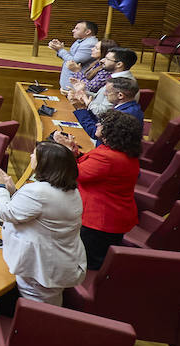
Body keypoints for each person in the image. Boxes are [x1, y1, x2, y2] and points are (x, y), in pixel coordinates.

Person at [0, 140, 85, 304]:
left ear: (45, 164)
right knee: (51, 301)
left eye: (35, 154)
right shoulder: (70, 189)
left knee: (40, 309)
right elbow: (34, 211)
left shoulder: (38, 192)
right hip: (60, 262)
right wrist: (12, 188)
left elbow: (6, 213)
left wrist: (0, 187)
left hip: (42, 269)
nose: (31, 155)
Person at [55, 109, 141, 270]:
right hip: (113, 215)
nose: (97, 124)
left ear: (111, 131)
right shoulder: (119, 151)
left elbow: (75, 174)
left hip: (100, 220)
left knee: (86, 263)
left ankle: (82, 291)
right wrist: (75, 153)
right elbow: (91, 166)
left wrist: (64, 151)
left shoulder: (108, 158)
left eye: (101, 123)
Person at [73, 76, 143, 139]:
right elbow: (99, 121)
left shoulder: (124, 115)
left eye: (107, 91)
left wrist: (81, 109)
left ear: (120, 95)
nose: (105, 94)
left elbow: (96, 133)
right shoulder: (129, 107)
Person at [76, 47, 139, 116]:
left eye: (107, 59)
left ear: (119, 64)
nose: (102, 61)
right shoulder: (115, 78)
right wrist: (83, 92)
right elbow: (100, 98)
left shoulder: (122, 84)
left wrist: (86, 101)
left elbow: (103, 112)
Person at [48, 20, 100, 87]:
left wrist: (60, 50)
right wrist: (59, 49)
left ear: (88, 32)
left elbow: (73, 61)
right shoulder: (81, 41)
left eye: (77, 29)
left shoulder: (90, 44)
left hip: (74, 84)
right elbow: (69, 56)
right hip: (69, 82)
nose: (73, 30)